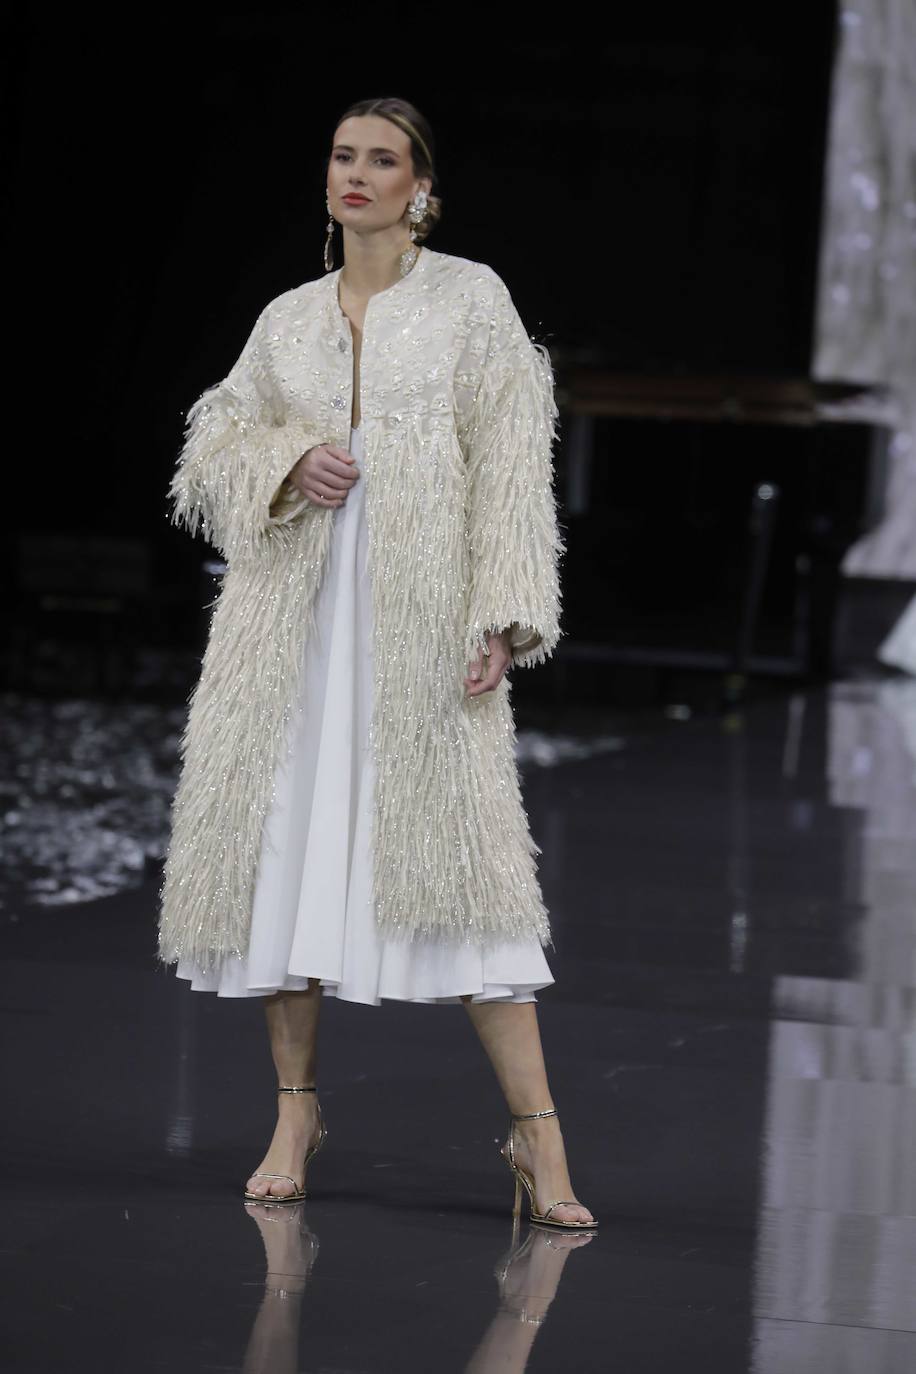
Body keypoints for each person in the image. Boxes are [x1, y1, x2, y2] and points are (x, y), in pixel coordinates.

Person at [157, 96, 596, 1231]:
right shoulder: (288, 318)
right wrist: (287, 457)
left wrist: (503, 612)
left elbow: (512, 459)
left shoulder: (470, 300)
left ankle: (539, 1136)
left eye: (383, 160)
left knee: (470, 868)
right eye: (343, 156)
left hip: (419, 618)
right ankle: (294, 1116)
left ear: (420, 187)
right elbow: (210, 446)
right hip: (290, 625)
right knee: (284, 853)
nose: (357, 174)